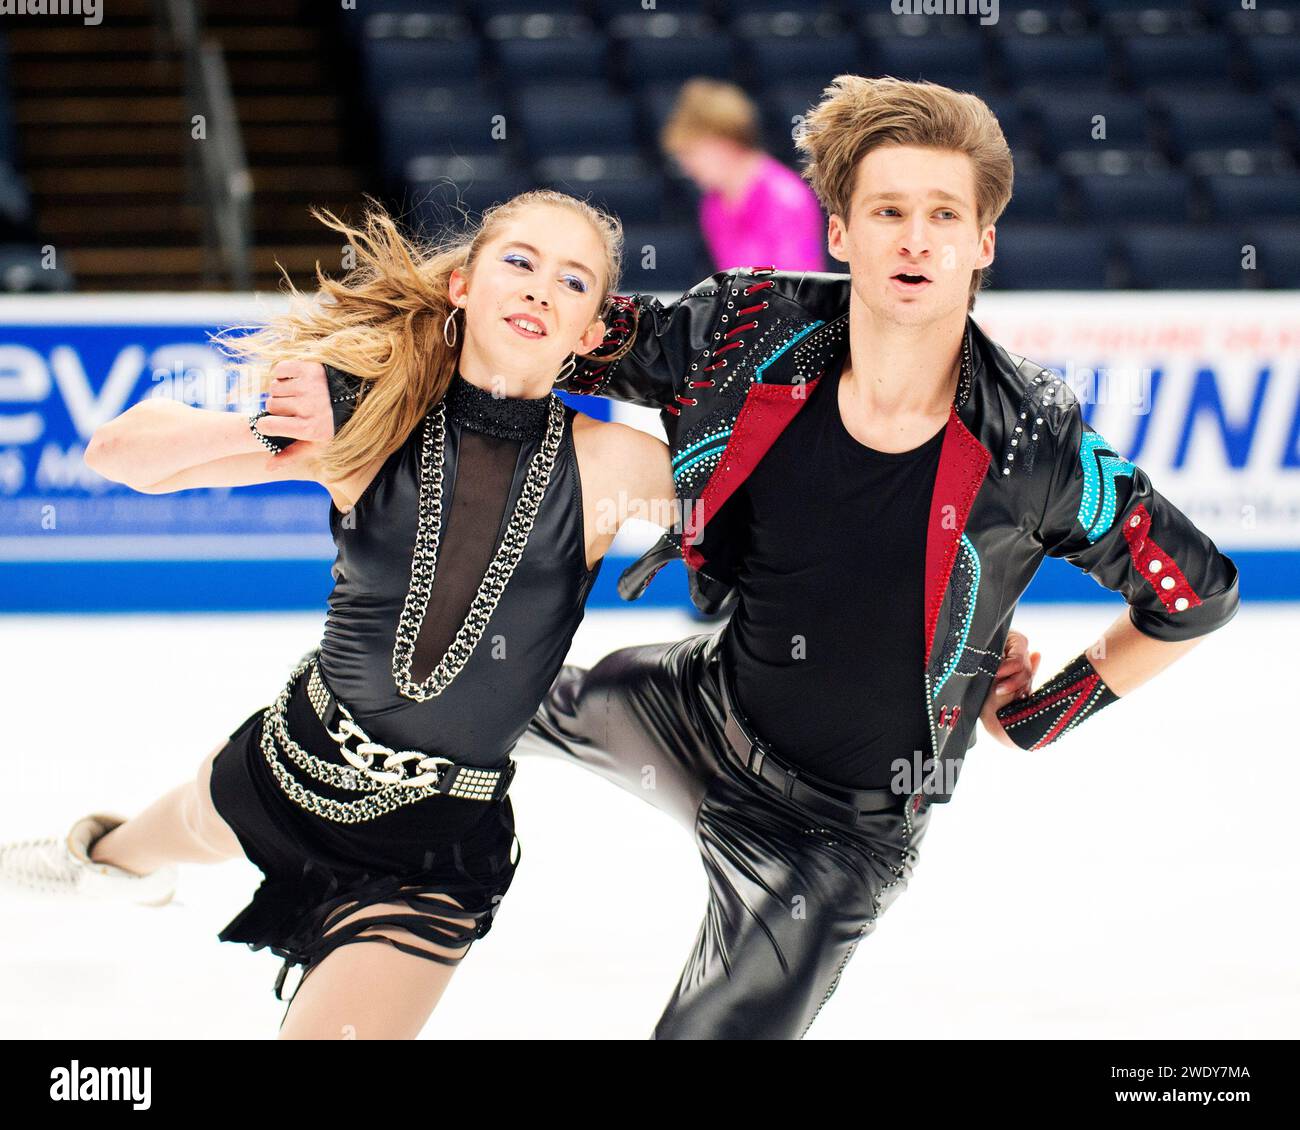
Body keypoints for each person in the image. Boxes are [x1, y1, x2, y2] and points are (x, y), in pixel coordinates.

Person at [505, 76, 1238, 1038]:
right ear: (841, 232)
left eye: (944, 214)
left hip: (836, 837)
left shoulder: (1035, 445)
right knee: (467, 699)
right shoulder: (746, 329)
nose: (916, 238)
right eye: (888, 210)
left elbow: (1196, 593)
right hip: (692, 712)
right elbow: (556, 332)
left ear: (983, 244)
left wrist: (1040, 717)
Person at [0, 190, 675, 1039]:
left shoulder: (615, 467)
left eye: (573, 282)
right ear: (462, 286)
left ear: (592, 332)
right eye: (519, 262)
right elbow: (119, 453)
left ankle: (114, 858)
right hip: (291, 765)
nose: (541, 289)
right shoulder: (370, 426)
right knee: (166, 833)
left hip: (431, 853)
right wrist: (278, 429)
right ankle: (96, 859)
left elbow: (776, 514)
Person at [662, 77, 827, 274]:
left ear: (723, 142)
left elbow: (798, 290)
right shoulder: (713, 206)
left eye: (691, 153)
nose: (687, 167)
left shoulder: (787, 199)